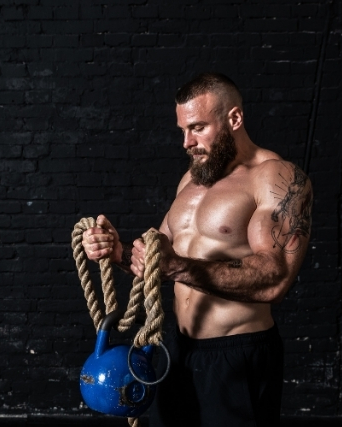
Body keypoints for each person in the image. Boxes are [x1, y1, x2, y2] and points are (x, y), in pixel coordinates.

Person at [82, 73, 312, 426]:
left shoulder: (274, 177)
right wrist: (117, 251)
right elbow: (158, 257)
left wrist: (176, 268)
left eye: (198, 127)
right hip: (178, 351)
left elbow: (274, 277)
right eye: (183, 130)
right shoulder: (191, 179)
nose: (187, 142)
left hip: (237, 354)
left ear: (234, 118)